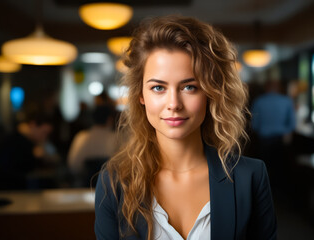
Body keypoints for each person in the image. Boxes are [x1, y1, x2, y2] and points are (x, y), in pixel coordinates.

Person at [95, 15, 277, 240]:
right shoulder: (113, 183)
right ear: (140, 95)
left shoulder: (250, 177)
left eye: (190, 87)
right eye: (158, 88)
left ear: (210, 93)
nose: (174, 104)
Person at [250, 79, 296, 190]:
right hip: (280, 140)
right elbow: (292, 124)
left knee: (264, 168)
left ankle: (264, 192)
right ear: (278, 88)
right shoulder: (286, 101)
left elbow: (254, 125)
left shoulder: (259, 101)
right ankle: (278, 193)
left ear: (266, 88)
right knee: (279, 169)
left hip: (264, 140)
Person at [0, 110, 54, 189]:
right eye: (43, 132)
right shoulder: (14, 141)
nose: (44, 137)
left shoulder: (27, 142)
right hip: (11, 192)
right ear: (33, 125)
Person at [67, 104, 117, 186]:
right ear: (110, 120)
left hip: (84, 186)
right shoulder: (117, 138)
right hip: (110, 187)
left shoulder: (81, 137)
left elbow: (73, 166)